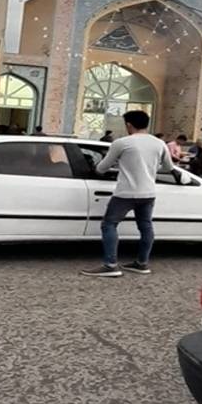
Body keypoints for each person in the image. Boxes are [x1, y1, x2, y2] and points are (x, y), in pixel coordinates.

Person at [81, 110, 173, 278]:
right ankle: (142, 263)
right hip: (148, 193)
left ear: (129, 125)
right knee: (145, 226)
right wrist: (149, 169)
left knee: (109, 225)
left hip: (125, 193)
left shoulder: (122, 143)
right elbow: (168, 168)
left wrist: (115, 167)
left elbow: (102, 167)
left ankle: (110, 265)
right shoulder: (159, 143)